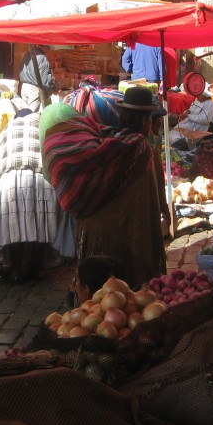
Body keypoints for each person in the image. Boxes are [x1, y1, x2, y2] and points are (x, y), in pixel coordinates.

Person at [72, 86, 168, 288]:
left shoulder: (111, 141)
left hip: (93, 229)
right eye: (151, 119)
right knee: (124, 287)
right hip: (116, 232)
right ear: (144, 121)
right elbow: (146, 198)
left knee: (99, 291)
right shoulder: (141, 149)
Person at [0, 109, 60, 284]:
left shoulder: (6, 131)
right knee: (40, 228)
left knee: (13, 230)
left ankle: (16, 271)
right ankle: (35, 270)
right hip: (41, 180)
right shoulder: (44, 128)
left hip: (9, 181)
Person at [18, 44, 55, 112]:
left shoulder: (28, 53)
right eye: (50, 49)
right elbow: (45, 79)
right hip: (34, 89)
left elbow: (21, 71)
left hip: (24, 87)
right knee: (32, 115)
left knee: (25, 112)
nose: (49, 51)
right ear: (46, 47)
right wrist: (52, 89)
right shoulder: (42, 58)